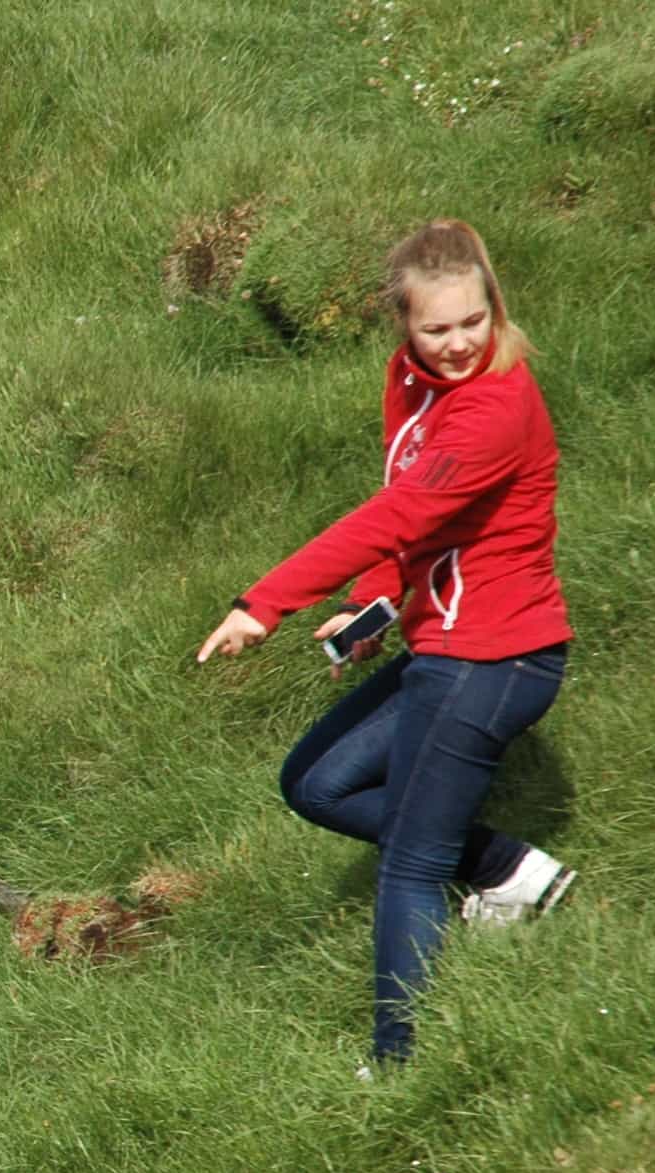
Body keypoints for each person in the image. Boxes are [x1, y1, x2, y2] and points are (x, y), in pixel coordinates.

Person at [195, 219, 574, 1067]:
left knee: (409, 861)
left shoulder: (494, 407)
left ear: (493, 306)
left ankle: (398, 1063)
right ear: (403, 327)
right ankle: (513, 872)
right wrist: (372, 605)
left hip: (496, 658)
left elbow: (397, 517)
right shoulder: (411, 383)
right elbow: (410, 500)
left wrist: (267, 604)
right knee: (315, 782)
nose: (457, 343)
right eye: (435, 329)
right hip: (443, 646)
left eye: (473, 321)